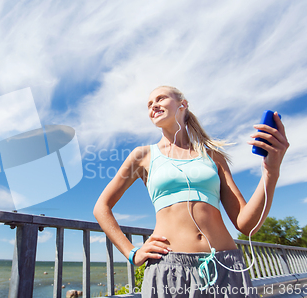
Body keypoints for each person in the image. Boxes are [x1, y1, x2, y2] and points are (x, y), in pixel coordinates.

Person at [93, 86, 289, 297]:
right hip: (169, 268)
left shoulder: (212, 155)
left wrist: (271, 171)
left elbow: (246, 224)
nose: (153, 106)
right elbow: (101, 207)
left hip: (226, 266)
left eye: (160, 99)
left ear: (182, 104)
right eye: (149, 104)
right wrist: (132, 252)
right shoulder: (142, 156)